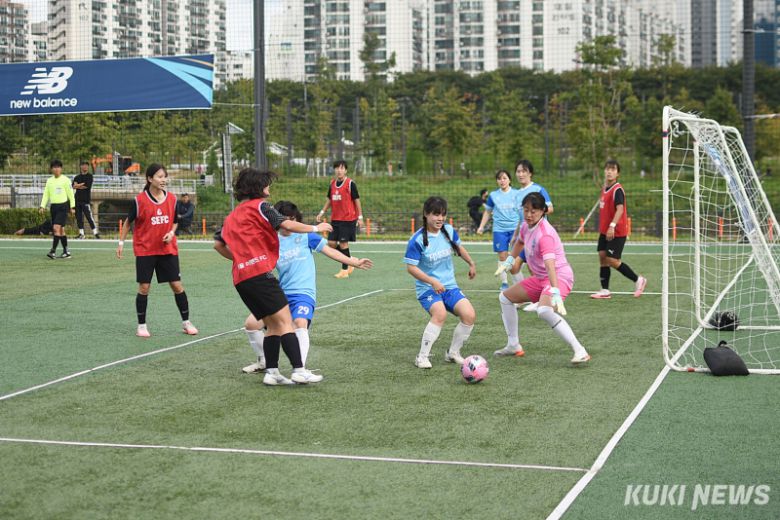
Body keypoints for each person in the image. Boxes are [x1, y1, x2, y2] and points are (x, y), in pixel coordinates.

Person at [223, 200, 373, 374]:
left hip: (303, 293)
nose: (289, 225)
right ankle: (264, 361)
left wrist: (353, 261)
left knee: (299, 323)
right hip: (281, 294)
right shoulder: (271, 241)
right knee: (251, 324)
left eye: (293, 219)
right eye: (285, 220)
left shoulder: (306, 236)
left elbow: (330, 251)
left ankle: (299, 369)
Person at [214, 168, 332, 385]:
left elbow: (218, 244)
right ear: (258, 187)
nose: (269, 187)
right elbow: (286, 224)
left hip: (241, 278)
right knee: (286, 322)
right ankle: (299, 370)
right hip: (260, 275)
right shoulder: (262, 206)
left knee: (272, 326)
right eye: (267, 183)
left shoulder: (231, 216)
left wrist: (241, 259)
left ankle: (272, 373)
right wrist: (316, 227)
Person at [495, 192, 590, 364]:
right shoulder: (525, 225)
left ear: (543, 211)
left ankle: (580, 350)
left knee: (544, 311)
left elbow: (550, 266)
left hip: (559, 277)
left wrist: (555, 292)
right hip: (540, 278)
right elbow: (520, 242)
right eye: (526, 210)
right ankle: (513, 344)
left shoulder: (545, 234)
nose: (529, 215)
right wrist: (510, 260)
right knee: (505, 298)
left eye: (534, 211)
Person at [116, 164, 198, 338]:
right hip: (146, 250)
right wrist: (121, 243)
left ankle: (186, 322)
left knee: (176, 285)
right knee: (144, 287)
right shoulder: (139, 201)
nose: (163, 180)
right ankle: (142, 326)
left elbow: (175, 221)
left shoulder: (173, 199)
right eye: (160, 177)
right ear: (150, 179)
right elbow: (128, 222)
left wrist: (171, 232)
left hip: (167, 250)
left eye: (164, 176)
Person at [404, 196, 477, 369]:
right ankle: (422, 357)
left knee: (469, 315)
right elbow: (411, 268)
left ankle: (453, 353)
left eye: (443, 214)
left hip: (450, 287)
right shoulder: (417, 240)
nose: (440, 218)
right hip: (427, 289)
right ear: (426, 214)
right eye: (436, 214)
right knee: (440, 314)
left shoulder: (449, 231)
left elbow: (458, 247)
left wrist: (471, 263)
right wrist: (432, 281)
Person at [590, 159, 647, 299]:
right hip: (604, 231)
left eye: (613, 169)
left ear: (618, 173)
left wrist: (612, 226)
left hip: (616, 231)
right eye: (607, 168)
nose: (609, 171)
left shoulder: (617, 189)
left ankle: (638, 280)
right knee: (602, 257)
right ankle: (605, 290)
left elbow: (620, 209)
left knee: (612, 260)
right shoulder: (604, 189)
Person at [510, 159, 554, 312]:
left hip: (537, 237)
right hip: (525, 237)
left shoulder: (539, 189)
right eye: (518, 171)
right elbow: (520, 219)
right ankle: (524, 298)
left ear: (530, 173)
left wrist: (536, 213)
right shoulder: (516, 194)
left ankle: (541, 298)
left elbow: (550, 208)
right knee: (513, 267)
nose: (521, 174)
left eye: (524, 171)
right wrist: (515, 237)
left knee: (535, 270)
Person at [316, 160, 365, 279]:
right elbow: (329, 199)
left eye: (342, 168)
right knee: (331, 243)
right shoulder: (332, 184)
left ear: (346, 170)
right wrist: (322, 212)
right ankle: (349, 260)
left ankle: (345, 270)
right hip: (335, 219)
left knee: (343, 243)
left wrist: (360, 217)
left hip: (347, 219)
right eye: (337, 168)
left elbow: (357, 201)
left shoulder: (350, 184)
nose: (339, 170)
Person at [477, 169, 521, 290]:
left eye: (504, 178)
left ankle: (518, 284)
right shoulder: (493, 196)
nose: (502, 181)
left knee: (515, 258)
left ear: (509, 180)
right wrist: (481, 227)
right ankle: (505, 283)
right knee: (502, 256)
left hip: (514, 229)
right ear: (497, 181)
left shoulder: (517, 194)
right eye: (499, 179)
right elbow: (487, 212)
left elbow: (523, 210)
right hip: (499, 230)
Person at [39, 159, 75, 259]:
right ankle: (66, 252)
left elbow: (71, 195)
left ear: (61, 169)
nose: (56, 169)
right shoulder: (49, 181)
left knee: (55, 228)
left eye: (58, 167)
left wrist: (72, 207)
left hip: (63, 207)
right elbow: (46, 194)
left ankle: (52, 251)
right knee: (61, 230)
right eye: (54, 167)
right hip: (53, 208)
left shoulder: (66, 180)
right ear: (51, 169)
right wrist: (42, 206)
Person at [72, 160, 100, 239]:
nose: (84, 166)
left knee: (89, 217)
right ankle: (81, 234)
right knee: (79, 218)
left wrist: (78, 185)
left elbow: (87, 186)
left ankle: (95, 233)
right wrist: (80, 185)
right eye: (83, 165)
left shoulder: (90, 176)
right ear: (80, 166)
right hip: (77, 200)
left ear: (88, 167)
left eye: (86, 165)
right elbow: (73, 186)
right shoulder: (77, 177)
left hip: (85, 200)